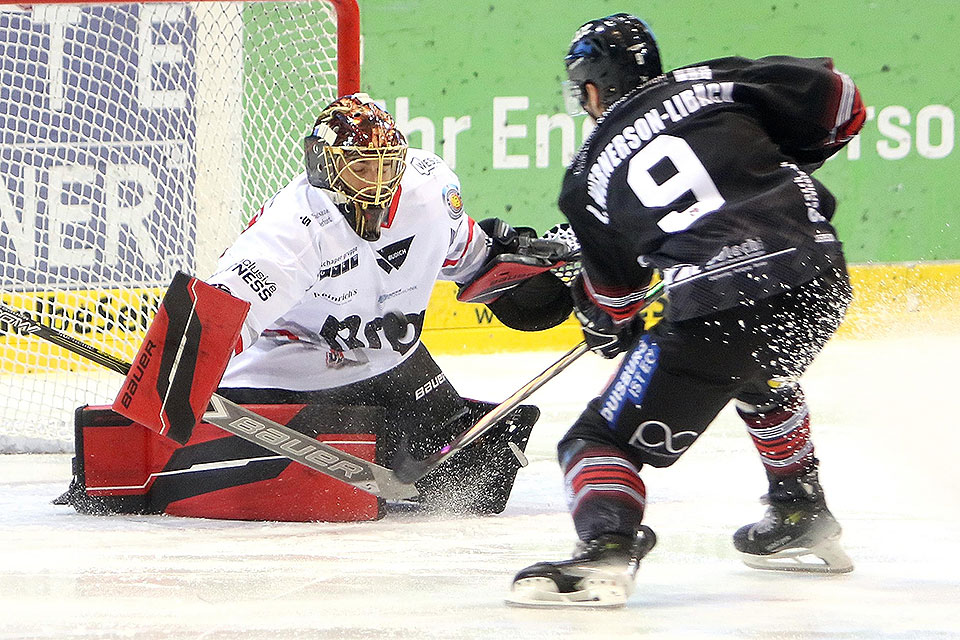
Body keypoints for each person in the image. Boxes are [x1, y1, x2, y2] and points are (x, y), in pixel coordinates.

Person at [507, 14, 865, 607]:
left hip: (720, 306)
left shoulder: (588, 172)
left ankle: (605, 552)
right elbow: (843, 102)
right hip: (819, 275)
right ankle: (799, 509)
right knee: (762, 375)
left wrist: (606, 328)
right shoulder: (712, 82)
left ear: (592, 88)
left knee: (594, 443)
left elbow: (613, 302)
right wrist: (791, 157)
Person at [205, 93, 573, 514]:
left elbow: (470, 258)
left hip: (389, 364)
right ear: (326, 167)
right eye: (362, 167)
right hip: (289, 376)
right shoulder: (292, 231)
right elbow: (217, 318)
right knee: (333, 502)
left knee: (475, 485)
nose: (378, 182)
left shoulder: (429, 192)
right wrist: (173, 386)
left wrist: (534, 276)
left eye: (387, 166)